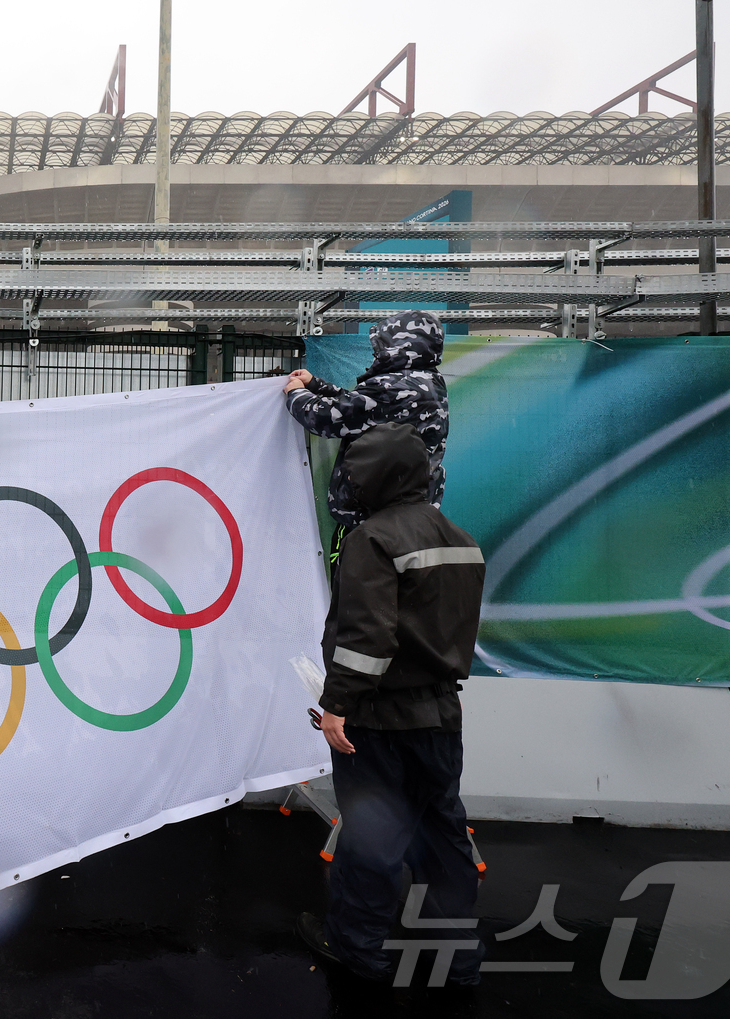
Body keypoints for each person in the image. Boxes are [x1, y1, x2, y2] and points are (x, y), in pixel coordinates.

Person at [294, 422, 486, 987]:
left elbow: (367, 640)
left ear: (377, 478)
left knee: (372, 839)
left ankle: (360, 950)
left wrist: (334, 706)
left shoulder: (372, 539)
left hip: (379, 722)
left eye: (355, 474)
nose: (349, 483)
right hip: (441, 718)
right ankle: (461, 959)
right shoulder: (460, 538)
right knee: (444, 836)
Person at [283, 310, 448, 565]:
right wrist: (316, 385)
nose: (376, 352)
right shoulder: (428, 381)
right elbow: (363, 409)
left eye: (381, 345)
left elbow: (326, 418)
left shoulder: (393, 386)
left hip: (373, 523)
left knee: (360, 596)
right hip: (410, 519)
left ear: (399, 346)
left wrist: (296, 394)